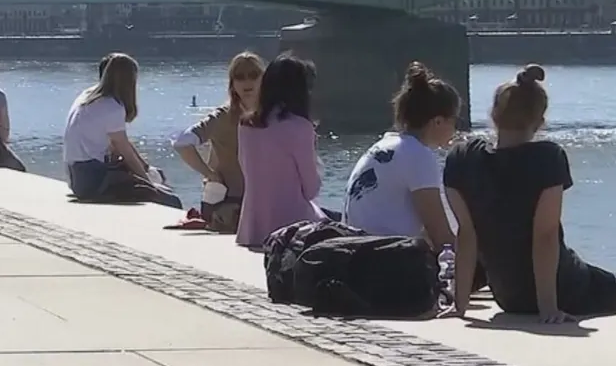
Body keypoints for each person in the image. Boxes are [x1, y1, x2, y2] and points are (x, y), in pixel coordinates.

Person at [442, 64, 616, 323]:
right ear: (540, 121)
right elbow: (545, 236)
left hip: (508, 295)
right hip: (563, 288)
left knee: (602, 282)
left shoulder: (461, 158)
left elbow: (467, 236)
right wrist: (548, 306)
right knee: (614, 290)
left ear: (494, 114)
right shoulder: (546, 158)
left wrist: (460, 304)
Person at [343, 62, 458, 247]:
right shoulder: (419, 155)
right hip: (387, 258)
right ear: (437, 121)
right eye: (454, 121)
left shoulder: (386, 145)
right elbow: (441, 236)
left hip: (355, 251)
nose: (455, 130)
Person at [63, 53, 179, 207]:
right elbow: (124, 150)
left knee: (152, 179)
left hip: (76, 176)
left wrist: (146, 167)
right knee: (170, 200)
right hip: (92, 179)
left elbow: (120, 143)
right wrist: (147, 182)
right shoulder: (111, 107)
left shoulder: (87, 96)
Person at [236, 53, 327, 249]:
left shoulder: (246, 124)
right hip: (291, 227)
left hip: (252, 228)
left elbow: (245, 170)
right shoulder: (299, 126)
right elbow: (311, 189)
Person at [173, 52, 263, 232]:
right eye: (240, 77)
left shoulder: (272, 113)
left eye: (253, 76)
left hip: (262, 200)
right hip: (230, 202)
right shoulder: (223, 116)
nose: (247, 82)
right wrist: (209, 173)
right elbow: (182, 142)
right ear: (232, 83)